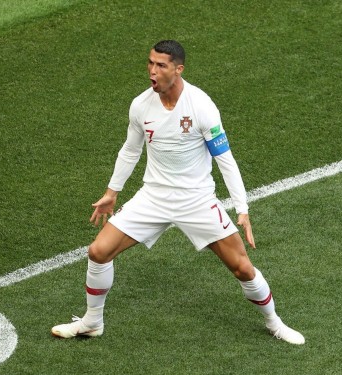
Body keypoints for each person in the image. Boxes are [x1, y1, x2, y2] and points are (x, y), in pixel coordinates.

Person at [52, 40, 304, 345]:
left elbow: (225, 158)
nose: (152, 71)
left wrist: (242, 208)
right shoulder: (140, 105)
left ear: (178, 69)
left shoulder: (201, 106)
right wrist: (112, 192)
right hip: (153, 197)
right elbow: (130, 150)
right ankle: (92, 322)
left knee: (242, 268)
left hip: (196, 200)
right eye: (150, 63)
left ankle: (275, 323)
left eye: (161, 65)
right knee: (98, 252)